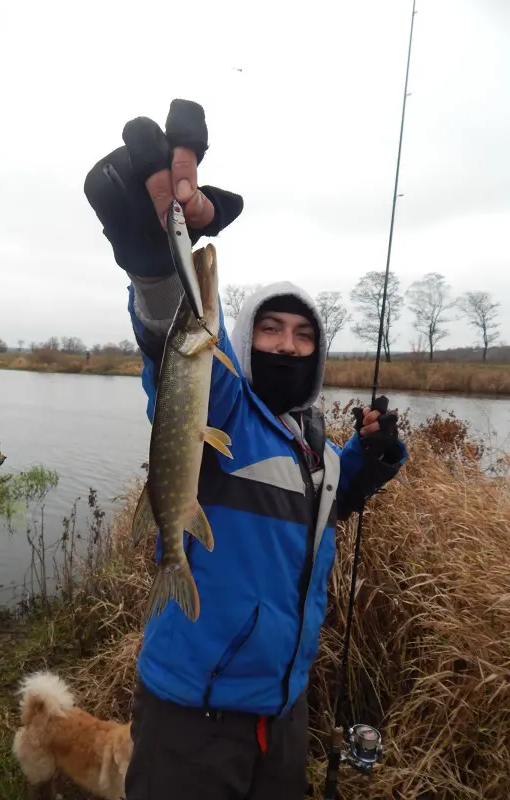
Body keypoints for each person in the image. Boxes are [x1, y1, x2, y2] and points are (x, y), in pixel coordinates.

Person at [84, 99, 408, 800]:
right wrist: (155, 265)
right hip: (193, 716)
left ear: (317, 353)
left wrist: (369, 463)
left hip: (282, 712)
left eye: (303, 334)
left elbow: (318, 502)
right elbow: (176, 333)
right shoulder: (226, 401)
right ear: (244, 341)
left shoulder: (311, 443)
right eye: (271, 330)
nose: (287, 343)